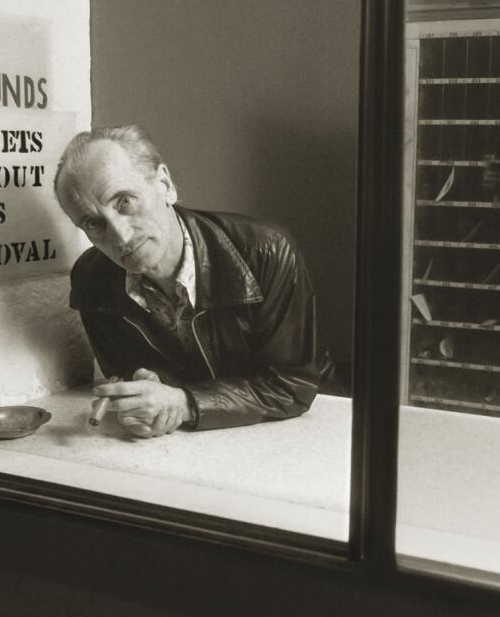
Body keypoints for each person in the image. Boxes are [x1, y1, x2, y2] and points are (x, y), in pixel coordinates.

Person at [54, 125, 329, 438]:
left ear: (165, 184)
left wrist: (183, 403)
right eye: (93, 223)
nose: (121, 235)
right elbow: (128, 376)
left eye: (125, 202)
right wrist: (141, 400)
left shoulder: (266, 250)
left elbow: (291, 386)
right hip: (187, 445)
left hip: (297, 431)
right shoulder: (92, 279)